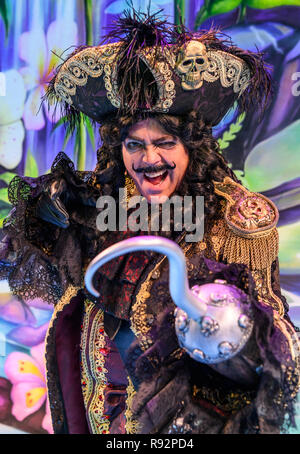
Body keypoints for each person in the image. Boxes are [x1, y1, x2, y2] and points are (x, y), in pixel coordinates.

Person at [0, 10, 299, 434]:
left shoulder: (234, 222)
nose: (149, 159)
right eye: (134, 144)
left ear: (192, 147)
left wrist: (225, 326)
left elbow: (273, 337)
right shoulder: (96, 205)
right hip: (93, 410)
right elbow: (23, 267)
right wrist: (39, 225)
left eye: (164, 142)